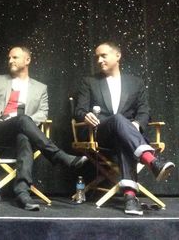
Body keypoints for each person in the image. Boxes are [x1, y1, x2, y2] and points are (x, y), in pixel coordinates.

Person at [0, 46, 87, 211]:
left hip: (23, 129)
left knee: (24, 135)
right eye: (9, 58)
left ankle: (22, 193)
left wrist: (25, 123)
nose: (10, 60)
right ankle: (59, 156)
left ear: (27, 60)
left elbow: (43, 113)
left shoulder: (40, 88)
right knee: (23, 122)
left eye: (15, 57)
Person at [75, 41, 175, 216]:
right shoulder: (89, 81)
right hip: (100, 132)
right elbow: (79, 109)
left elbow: (144, 111)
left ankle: (130, 198)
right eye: (97, 57)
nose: (99, 60)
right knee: (118, 120)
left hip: (127, 135)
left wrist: (136, 125)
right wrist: (85, 115)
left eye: (103, 55)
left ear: (117, 56)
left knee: (124, 137)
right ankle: (151, 161)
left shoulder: (136, 82)